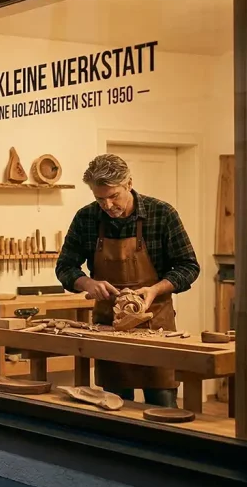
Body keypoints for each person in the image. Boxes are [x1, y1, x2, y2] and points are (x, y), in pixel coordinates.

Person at [55, 154, 200, 408]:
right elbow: (65, 267)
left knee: (163, 407)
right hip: (109, 329)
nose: (108, 205)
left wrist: (154, 290)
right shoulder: (86, 218)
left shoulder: (162, 214)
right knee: (114, 407)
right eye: (100, 198)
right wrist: (87, 283)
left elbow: (189, 267)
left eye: (114, 196)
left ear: (129, 184)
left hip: (156, 328)